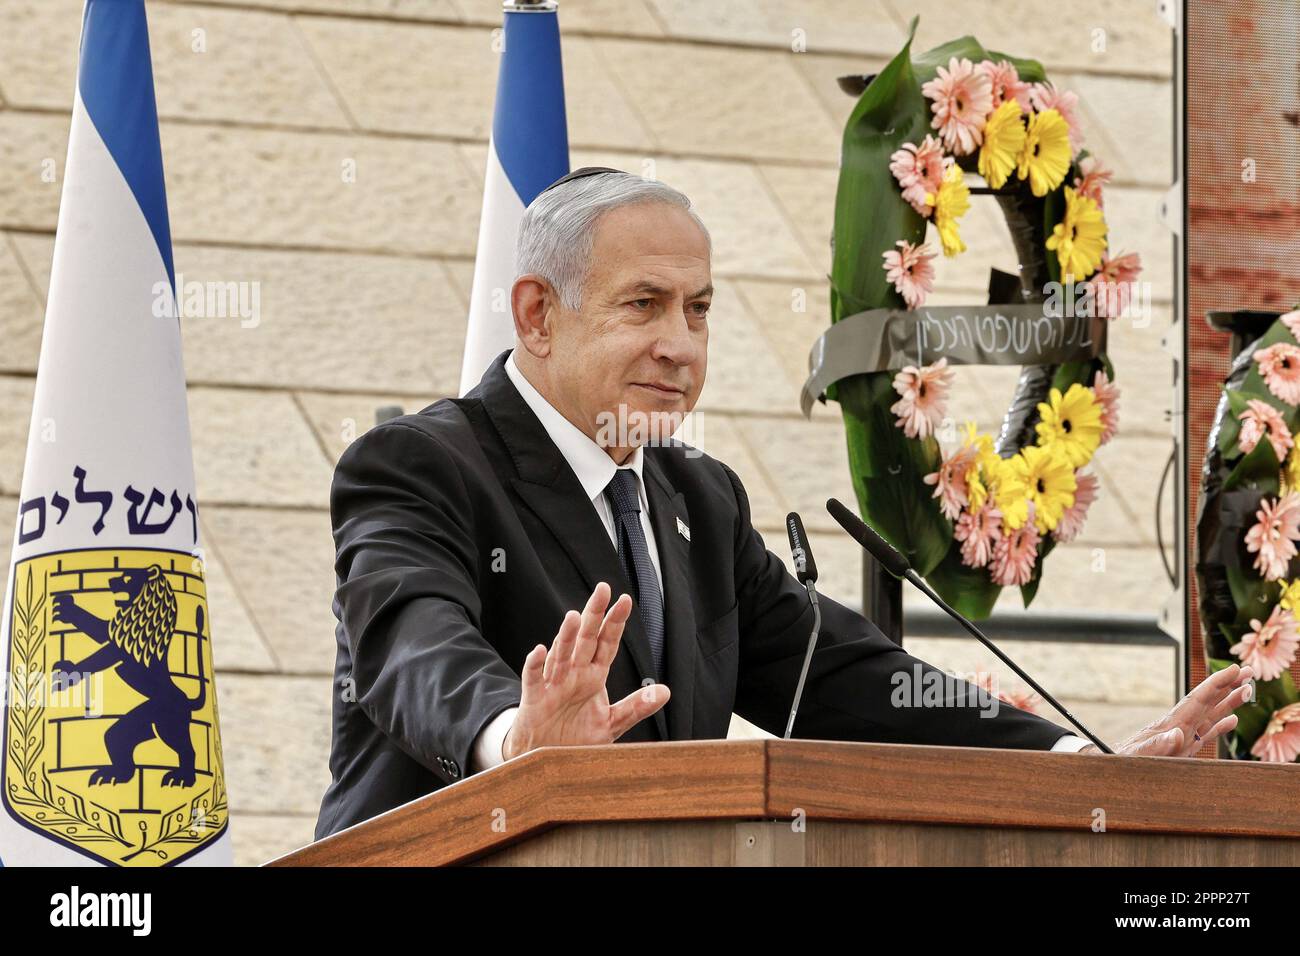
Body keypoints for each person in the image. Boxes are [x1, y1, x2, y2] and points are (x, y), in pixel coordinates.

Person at [314, 168, 1252, 839]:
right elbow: (410, 643)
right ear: (536, 316)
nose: (682, 346)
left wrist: (1074, 767)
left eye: (701, 309)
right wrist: (519, 740)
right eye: (643, 305)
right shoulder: (420, 465)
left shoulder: (696, 496)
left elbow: (844, 680)